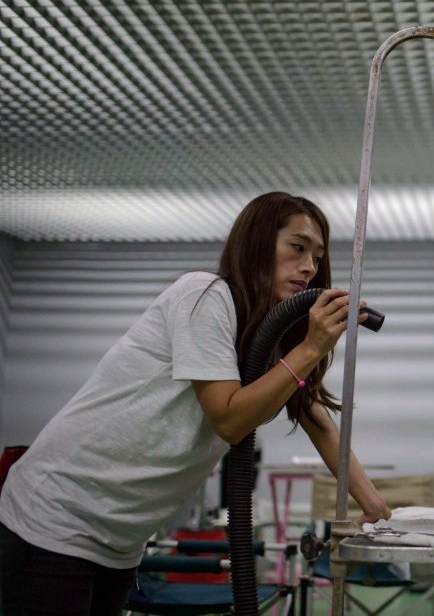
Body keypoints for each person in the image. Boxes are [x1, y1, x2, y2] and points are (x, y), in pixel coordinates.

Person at [0, 191, 391, 614]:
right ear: (258, 244)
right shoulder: (203, 296)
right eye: (297, 248)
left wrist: (376, 509)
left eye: (317, 256)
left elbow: (316, 418)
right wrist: (311, 348)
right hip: (56, 515)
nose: (309, 267)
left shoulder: (274, 340)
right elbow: (228, 418)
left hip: (119, 539)